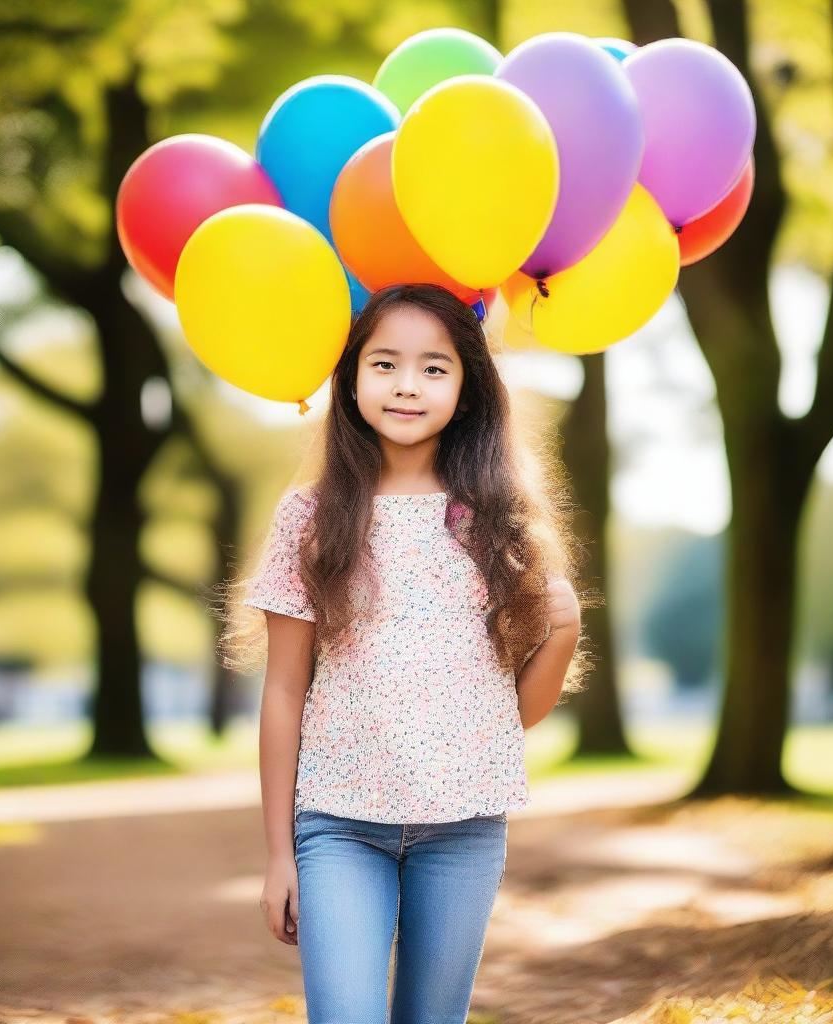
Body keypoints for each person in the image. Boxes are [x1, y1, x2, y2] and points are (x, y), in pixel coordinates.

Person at [216, 282, 591, 1024]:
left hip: (465, 828)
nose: (407, 386)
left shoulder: (501, 522)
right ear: (351, 380)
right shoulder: (311, 518)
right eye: (384, 364)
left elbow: (508, 715)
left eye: (434, 367)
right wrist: (278, 855)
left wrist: (566, 632)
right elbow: (285, 690)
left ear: (467, 386)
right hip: (338, 825)